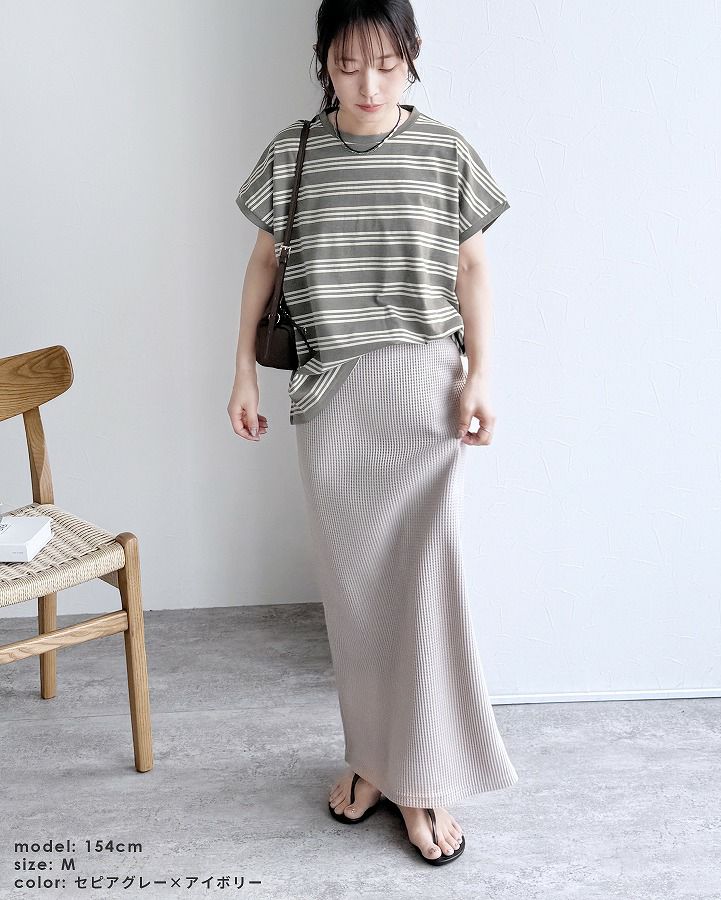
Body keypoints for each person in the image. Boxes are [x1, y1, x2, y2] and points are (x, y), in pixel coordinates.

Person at [228, 0, 519, 867]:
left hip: (424, 391)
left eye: (386, 64)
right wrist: (240, 371)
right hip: (332, 399)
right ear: (323, 60)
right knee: (355, 597)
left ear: (411, 56)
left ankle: (422, 780)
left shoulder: (445, 150)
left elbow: (473, 266)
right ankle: (370, 758)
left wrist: (481, 375)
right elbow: (262, 265)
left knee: (426, 590)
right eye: (348, 64)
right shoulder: (293, 152)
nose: (367, 83)